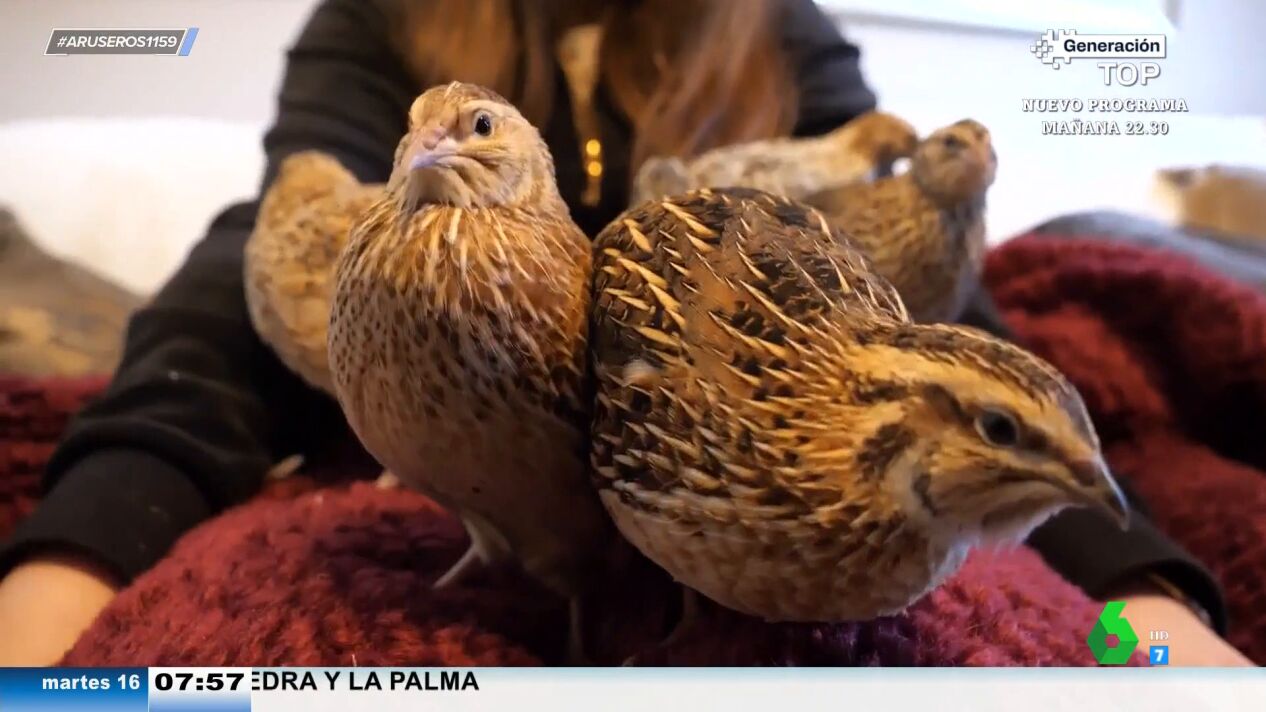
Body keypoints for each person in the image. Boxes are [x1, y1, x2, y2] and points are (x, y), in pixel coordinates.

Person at [0, 0, 1248, 666]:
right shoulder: (379, 22)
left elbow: (918, 300)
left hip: (777, 460)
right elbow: (278, 234)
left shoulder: (777, 26)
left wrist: (1134, 589)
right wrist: (84, 550)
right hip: (466, 458)